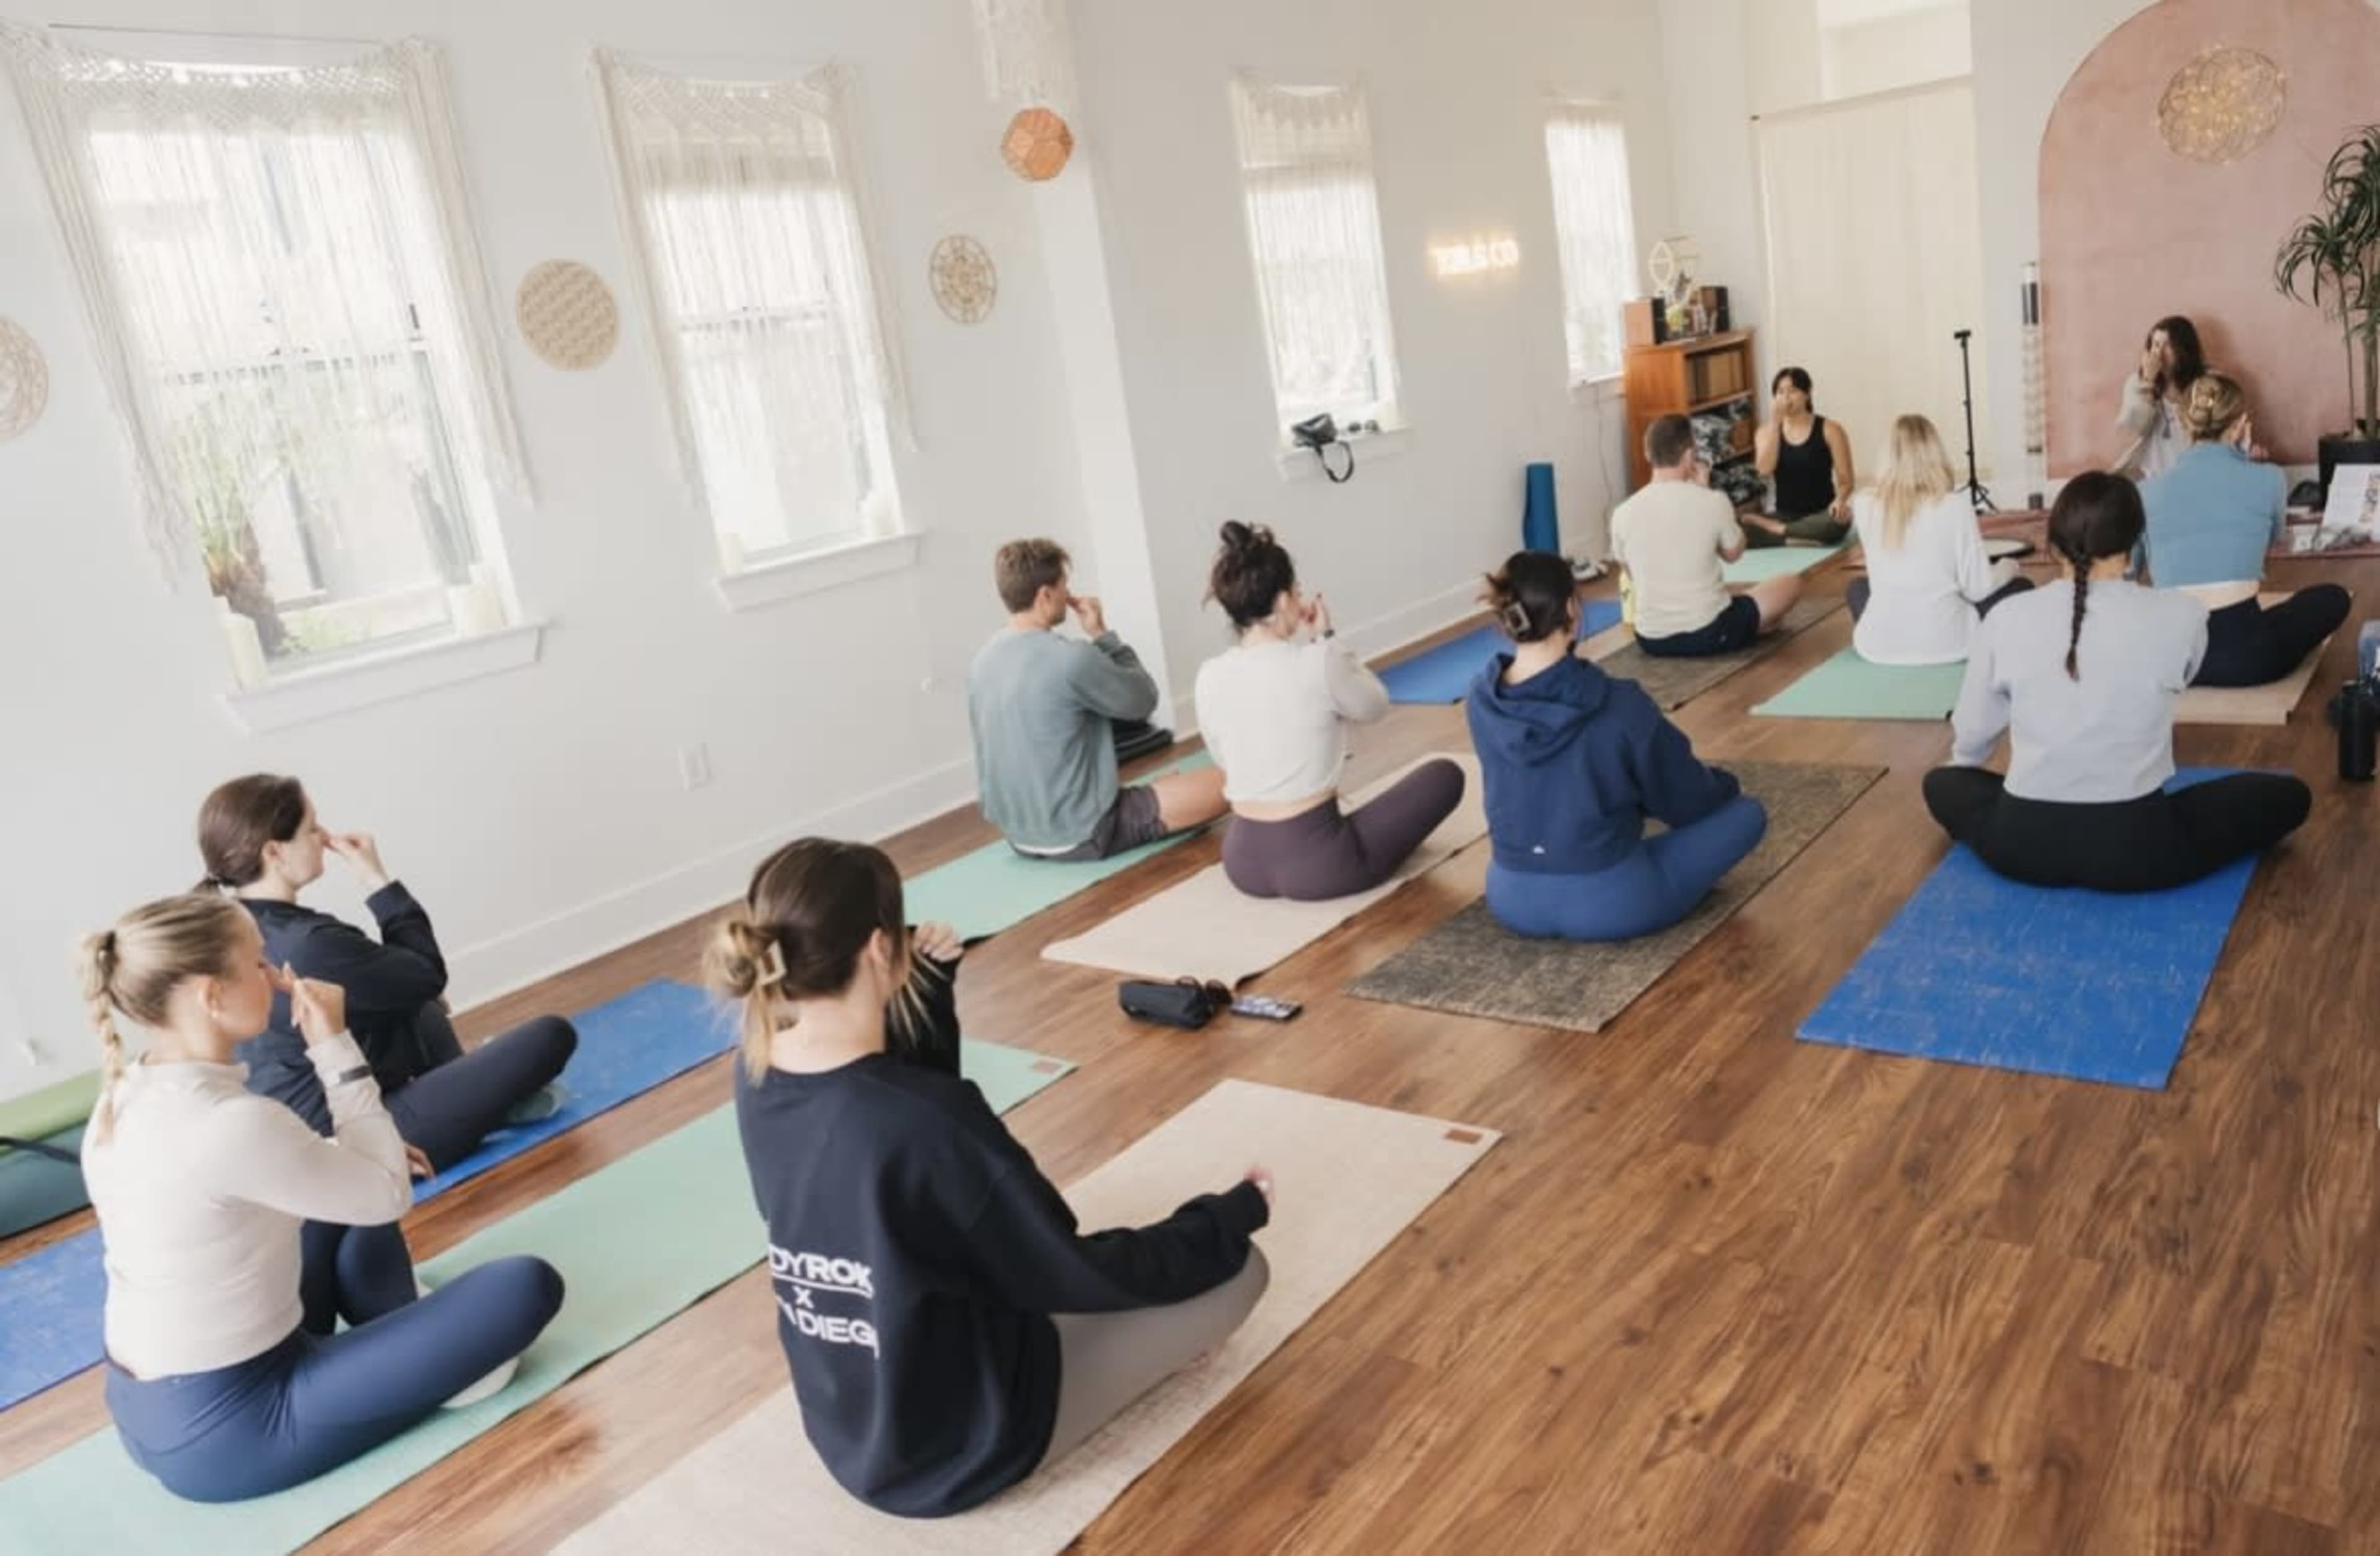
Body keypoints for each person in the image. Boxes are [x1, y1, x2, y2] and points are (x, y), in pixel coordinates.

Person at [713, 838, 1270, 1518]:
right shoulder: (928, 1122)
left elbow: (895, 1154)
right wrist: (1223, 1217)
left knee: (993, 1243)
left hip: (851, 1430)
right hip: (967, 1446)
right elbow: (1076, 1272)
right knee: (1242, 1272)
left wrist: (932, 990)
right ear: (881, 950)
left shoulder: (756, 1073)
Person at [80, 893, 563, 1503]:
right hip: (236, 1428)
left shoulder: (124, 1094)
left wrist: (344, 1157)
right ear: (211, 995)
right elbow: (387, 1194)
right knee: (524, 1286)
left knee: (342, 1192)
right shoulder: (230, 1123)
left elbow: (246, 1181)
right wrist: (333, 1042)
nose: (279, 977)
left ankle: (402, 1333)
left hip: (146, 1408)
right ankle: (426, 1348)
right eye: (258, 963)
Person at [198, 775, 577, 1331]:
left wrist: (412, 986)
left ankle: (481, 1097)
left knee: (416, 1000)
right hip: (361, 1135)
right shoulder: (308, 943)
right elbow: (429, 971)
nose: (324, 835)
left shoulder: (239, 929)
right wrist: (375, 875)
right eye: (311, 827)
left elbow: (417, 983)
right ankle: (488, 1104)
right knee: (551, 1033)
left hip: (331, 1111)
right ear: (274, 851)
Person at [1924, 473, 2312, 892]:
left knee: (1941, 784)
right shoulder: (2181, 614)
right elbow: (2186, 672)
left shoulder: (2005, 617)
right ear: (2133, 545)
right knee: (2289, 796)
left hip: (2022, 844)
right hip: (2137, 850)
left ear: (2053, 546)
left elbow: (1972, 739)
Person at [1465, 552, 1768, 941]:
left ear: (1507, 619)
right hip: (1612, 902)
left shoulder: (1480, 699)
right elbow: (1690, 801)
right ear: (1572, 610)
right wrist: (1724, 786)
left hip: (1510, 896)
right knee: (1747, 815)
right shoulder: (1619, 703)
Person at [1194, 522, 1465, 900]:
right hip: (1319, 865)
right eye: (1297, 591)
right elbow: (1375, 706)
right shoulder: (1317, 661)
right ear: (1285, 600)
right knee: (1445, 776)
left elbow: (1223, 756)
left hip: (1242, 863)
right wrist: (1327, 638)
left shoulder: (1210, 674)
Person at [967, 538, 1227, 859]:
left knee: (1174, 787)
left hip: (1018, 837)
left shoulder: (981, 662)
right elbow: (1144, 699)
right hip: (1085, 831)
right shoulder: (1070, 658)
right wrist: (1103, 635)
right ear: (1045, 595)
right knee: (1236, 779)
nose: (1069, 594)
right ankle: (1153, 803)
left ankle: (1157, 797)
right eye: (1064, 586)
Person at [2137, 372, 2351, 687]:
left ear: (2184, 425)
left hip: (2171, 660)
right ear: (2241, 425)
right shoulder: (2269, 478)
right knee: (2333, 598)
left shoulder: (2146, 491)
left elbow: (2137, 566)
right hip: (2247, 659)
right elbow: (2274, 540)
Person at [1610, 415, 1804, 658]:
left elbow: (1630, 574)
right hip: (1709, 632)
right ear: (1690, 455)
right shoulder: (1712, 501)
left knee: (1739, 599)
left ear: (1648, 454)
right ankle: (1753, 627)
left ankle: (1753, 625)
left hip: (1650, 638)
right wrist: (1705, 490)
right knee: (1792, 582)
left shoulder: (1622, 513)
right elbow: (1734, 553)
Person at [1846, 414, 2035, 664]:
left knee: (1857, 588)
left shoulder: (1864, 503)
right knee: (2022, 588)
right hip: (1950, 643)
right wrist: (2009, 567)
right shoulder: (1955, 505)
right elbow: (1977, 589)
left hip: (1878, 644)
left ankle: (1898, 638)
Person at [1747, 367, 1854, 547]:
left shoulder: (1831, 429)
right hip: (1784, 515)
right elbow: (1764, 470)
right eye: (1780, 392)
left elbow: (1846, 480)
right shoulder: (1766, 432)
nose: (1786, 397)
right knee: (1740, 525)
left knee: (1839, 521)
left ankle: (1784, 534)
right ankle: (1799, 536)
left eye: (1793, 391)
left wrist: (1840, 501)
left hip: (1821, 514)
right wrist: (1775, 424)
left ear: (1808, 393)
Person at [2115, 315, 2206, 481]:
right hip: (2150, 479)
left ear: (2184, 349)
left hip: (2195, 477)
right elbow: (2134, 430)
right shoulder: (2136, 384)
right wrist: (2148, 382)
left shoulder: (2206, 385)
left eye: (2168, 345)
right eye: (2156, 345)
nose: (2159, 353)